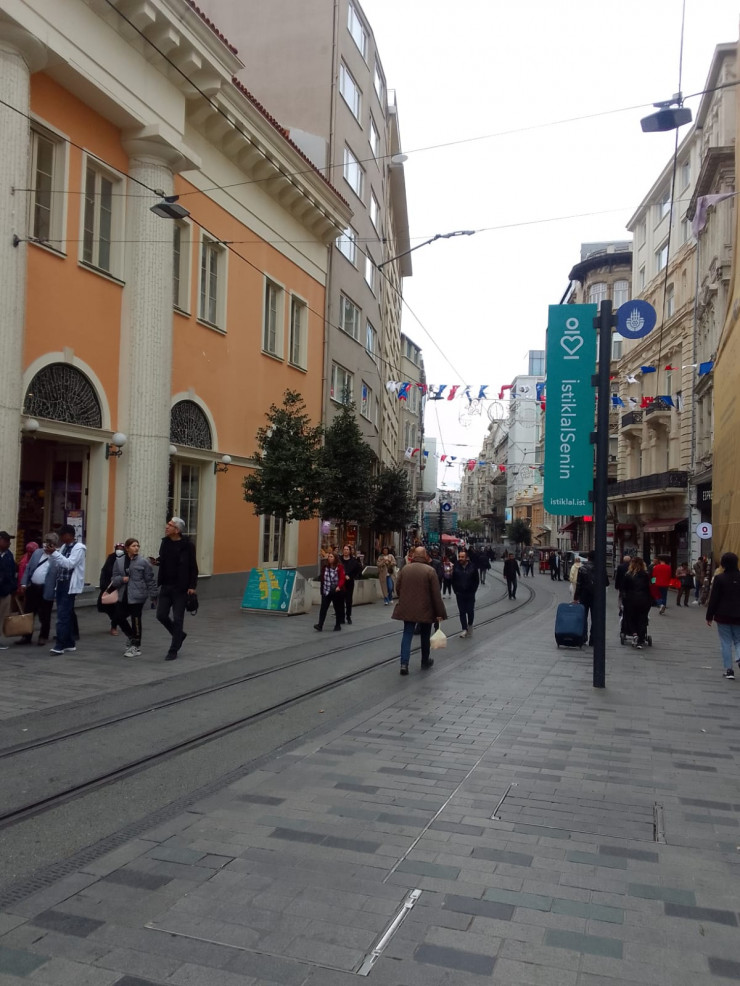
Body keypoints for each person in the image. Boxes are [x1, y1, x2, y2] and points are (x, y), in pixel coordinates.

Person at [392, 546, 447, 674]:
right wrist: (440, 613)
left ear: (414, 556)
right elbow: (436, 594)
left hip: (408, 608)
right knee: (425, 635)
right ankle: (424, 660)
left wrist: (404, 598)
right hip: (425, 608)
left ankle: (404, 664)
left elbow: (398, 587)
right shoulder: (430, 571)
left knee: (407, 634)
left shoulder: (405, 569)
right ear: (424, 555)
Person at [153, 517, 198, 660]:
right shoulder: (165, 542)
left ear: (177, 530)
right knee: (161, 615)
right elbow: (163, 559)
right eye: (167, 524)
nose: (166, 527)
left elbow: (193, 567)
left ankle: (173, 650)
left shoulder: (188, 545)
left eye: (170, 525)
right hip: (166, 586)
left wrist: (192, 586)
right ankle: (179, 635)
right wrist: (156, 561)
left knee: (178, 619)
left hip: (181, 588)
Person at [110, 538, 158, 657]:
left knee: (136, 619)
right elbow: (114, 579)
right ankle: (132, 637)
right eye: (133, 546)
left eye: (137, 546)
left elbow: (150, 579)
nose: (136, 548)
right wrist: (122, 579)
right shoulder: (119, 561)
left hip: (138, 595)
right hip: (123, 595)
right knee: (118, 617)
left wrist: (153, 595)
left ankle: (135, 646)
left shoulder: (143, 562)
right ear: (127, 548)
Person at [46, 524, 86, 655]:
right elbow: (58, 563)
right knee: (66, 614)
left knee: (62, 615)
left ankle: (60, 645)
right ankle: (69, 642)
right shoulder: (64, 547)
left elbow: (69, 564)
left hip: (70, 584)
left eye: (62, 535)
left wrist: (55, 553)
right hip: (61, 583)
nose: (61, 538)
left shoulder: (79, 548)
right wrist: (52, 554)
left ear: (69, 535)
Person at [17, 534, 57, 646]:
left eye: (49, 543)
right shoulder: (37, 553)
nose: (46, 545)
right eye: (45, 542)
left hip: (46, 589)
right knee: (29, 613)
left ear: (54, 545)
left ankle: (43, 636)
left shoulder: (57, 557)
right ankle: (26, 636)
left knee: (45, 615)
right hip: (33, 587)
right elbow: (28, 568)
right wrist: (24, 583)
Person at [706, 551, 740, 680]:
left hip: (722, 614)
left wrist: (709, 616)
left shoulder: (720, 578)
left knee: (725, 642)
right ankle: (739, 656)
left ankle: (729, 670)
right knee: (738, 640)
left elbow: (714, 598)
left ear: (723, 563)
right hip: (739, 615)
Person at [621, 556, 653, 648]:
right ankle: (641, 640)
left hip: (631, 600)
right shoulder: (646, 575)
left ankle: (634, 634)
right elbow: (651, 586)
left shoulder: (628, 575)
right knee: (642, 619)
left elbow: (624, 588)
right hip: (644, 600)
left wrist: (623, 599)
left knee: (630, 618)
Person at [451, 548, 480, 638]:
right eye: (459, 557)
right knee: (462, 612)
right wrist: (455, 590)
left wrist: (473, 590)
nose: (460, 558)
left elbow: (476, 580)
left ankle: (470, 624)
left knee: (470, 611)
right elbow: (453, 579)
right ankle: (464, 629)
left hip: (470, 593)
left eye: (462, 557)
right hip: (460, 593)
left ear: (466, 558)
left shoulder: (473, 567)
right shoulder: (456, 567)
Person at [314, 550, 345, 631]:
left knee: (337, 608)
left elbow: (342, 578)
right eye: (329, 557)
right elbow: (322, 577)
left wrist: (339, 587)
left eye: (331, 557)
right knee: (323, 608)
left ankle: (338, 625)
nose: (329, 558)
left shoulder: (339, 567)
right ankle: (320, 625)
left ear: (335, 558)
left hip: (336, 591)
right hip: (326, 590)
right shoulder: (325, 567)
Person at [98, 543, 125, 635]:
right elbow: (104, 571)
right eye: (118, 548)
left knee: (118, 608)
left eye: (121, 548)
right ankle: (114, 619)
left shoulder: (126, 559)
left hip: (121, 586)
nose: (119, 550)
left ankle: (114, 626)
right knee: (107, 605)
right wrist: (103, 585)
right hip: (109, 586)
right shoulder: (111, 557)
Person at [574, 550, 598, 645]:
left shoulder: (582, 568)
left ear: (588, 558)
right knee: (595, 618)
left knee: (583, 616)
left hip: (584, 595)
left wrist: (576, 597)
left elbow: (578, 584)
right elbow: (606, 583)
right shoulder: (600, 568)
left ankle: (583, 637)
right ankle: (593, 639)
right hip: (596, 596)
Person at [0, 530, 18, 651]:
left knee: (2, 616)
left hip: (5, 591)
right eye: (6, 540)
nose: (9, 543)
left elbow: (12, 571)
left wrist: (13, 586)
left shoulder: (9, 555)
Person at [339, 544, 362, 624]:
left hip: (349, 583)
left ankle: (348, 616)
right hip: (341, 583)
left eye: (347, 549)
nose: (345, 551)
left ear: (350, 551)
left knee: (348, 600)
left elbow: (358, 571)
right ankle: (341, 617)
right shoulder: (339, 560)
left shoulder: (353, 561)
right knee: (340, 600)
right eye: (344, 549)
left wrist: (351, 576)